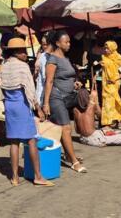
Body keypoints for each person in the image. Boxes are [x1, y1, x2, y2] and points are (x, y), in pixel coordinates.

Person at [0, 37, 53, 187]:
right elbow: (30, 90)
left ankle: (14, 177)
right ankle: (38, 176)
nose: (26, 54)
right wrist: (38, 108)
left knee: (14, 141)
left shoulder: (4, 66)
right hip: (22, 106)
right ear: (17, 52)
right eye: (23, 51)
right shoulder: (22, 67)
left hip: (9, 106)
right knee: (31, 140)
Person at [41, 31, 87, 173]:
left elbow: (67, 77)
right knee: (66, 128)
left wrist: (76, 83)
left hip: (68, 96)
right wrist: (46, 103)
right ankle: (74, 162)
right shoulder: (52, 59)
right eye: (66, 42)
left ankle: (68, 155)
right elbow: (49, 81)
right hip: (56, 97)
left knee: (63, 128)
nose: (69, 44)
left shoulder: (65, 59)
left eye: (69, 41)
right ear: (57, 43)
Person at [99, 40, 121, 128]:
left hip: (114, 83)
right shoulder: (104, 57)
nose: (106, 50)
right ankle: (111, 121)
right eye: (105, 48)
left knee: (111, 102)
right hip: (105, 83)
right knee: (107, 102)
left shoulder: (118, 57)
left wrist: (114, 79)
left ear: (112, 48)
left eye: (107, 48)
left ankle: (111, 121)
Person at [34, 36, 50, 106]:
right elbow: (39, 75)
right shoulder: (41, 56)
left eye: (47, 44)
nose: (46, 46)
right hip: (42, 86)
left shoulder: (54, 56)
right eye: (44, 44)